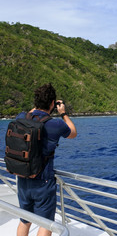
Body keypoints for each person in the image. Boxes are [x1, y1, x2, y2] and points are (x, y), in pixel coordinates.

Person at [16, 83, 77, 236]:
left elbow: (30, 114)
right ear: (52, 104)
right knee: (46, 223)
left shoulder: (21, 117)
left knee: (24, 219)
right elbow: (73, 133)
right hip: (43, 182)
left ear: (36, 102)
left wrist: (36, 107)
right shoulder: (55, 124)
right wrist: (63, 113)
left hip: (23, 177)